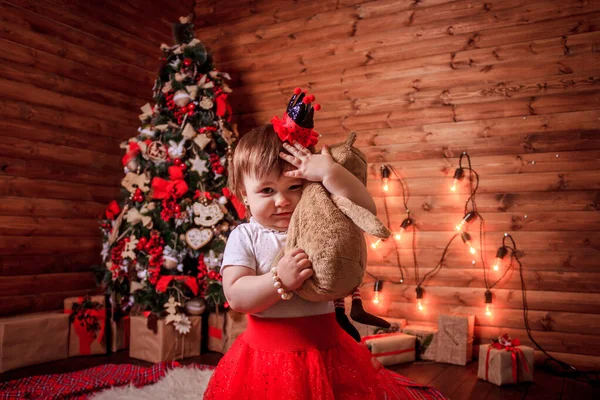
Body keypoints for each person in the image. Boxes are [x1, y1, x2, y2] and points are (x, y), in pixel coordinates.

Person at [203, 90, 445, 400]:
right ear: (243, 195)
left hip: (329, 351)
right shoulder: (246, 235)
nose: (282, 200)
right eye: (266, 190)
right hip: (269, 359)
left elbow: (364, 207)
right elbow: (236, 295)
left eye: (294, 186)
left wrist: (329, 172)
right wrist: (278, 279)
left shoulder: (317, 221)